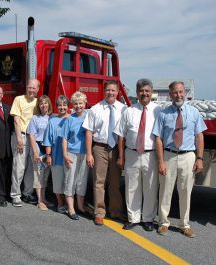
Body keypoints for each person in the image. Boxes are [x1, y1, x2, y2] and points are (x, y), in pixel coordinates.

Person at [153, 81, 207, 238]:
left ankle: (184, 225)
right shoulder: (163, 114)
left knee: (185, 192)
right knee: (165, 191)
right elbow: (158, 139)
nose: (178, 95)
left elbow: (199, 136)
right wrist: (161, 161)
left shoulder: (194, 113)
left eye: (181, 92)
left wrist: (200, 158)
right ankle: (163, 222)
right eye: (175, 92)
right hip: (169, 155)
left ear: (185, 93)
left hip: (188, 156)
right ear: (170, 95)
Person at [115, 78, 162, 231]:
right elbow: (121, 135)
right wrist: (121, 157)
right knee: (132, 187)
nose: (144, 94)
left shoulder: (158, 111)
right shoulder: (129, 111)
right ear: (137, 93)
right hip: (131, 154)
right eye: (141, 91)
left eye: (147, 91)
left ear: (151, 92)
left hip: (151, 154)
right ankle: (133, 218)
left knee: (150, 187)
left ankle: (148, 219)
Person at [82, 80, 127, 226]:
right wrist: (89, 153)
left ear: (117, 92)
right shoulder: (95, 109)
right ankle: (99, 212)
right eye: (108, 90)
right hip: (100, 148)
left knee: (114, 182)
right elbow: (89, 132)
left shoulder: (124, 109)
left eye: (113, 90)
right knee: (99, 182)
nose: (110, 93)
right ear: (104, 91)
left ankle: (115, 211)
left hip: (116, 149)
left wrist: (122, 154)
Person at [10, 79, 39, 207]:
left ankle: (27, 193)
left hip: (33, 138)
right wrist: (19, 139)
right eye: (29, 87)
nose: (31, 90)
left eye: (34, 88)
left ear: (37, 89)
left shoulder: (38, 102)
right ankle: (15, 195)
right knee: (19, 167)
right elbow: (16, 119)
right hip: (21, 136)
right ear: (26, 87)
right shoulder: (18, 99)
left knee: (31, 168)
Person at [62, 92, 89, 220]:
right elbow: (64, 139)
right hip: (71, 153)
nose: (78, 106)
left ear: (85, 104)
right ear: (72, 105)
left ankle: (80, 206)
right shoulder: (69, 120)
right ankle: (71, 209)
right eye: (76, 104)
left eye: (81, 103)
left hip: (84, 154)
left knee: (81, 181)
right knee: (70, 180)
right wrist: (65, 155)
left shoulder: (89, 117)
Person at [42, 95, 70, 214]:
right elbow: (48, 140)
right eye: (59, 105)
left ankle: (71, 204)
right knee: (58, 182)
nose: (62, 107)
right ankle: (60, 203)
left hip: (71, 157)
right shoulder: (52, 121)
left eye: (64, 105)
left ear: (68, 106)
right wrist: (48, 156)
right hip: (56, 156)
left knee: (69, 182)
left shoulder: (72, 119)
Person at [27, 95, 53, 211]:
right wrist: (36, 153)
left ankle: (44, 198)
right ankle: (39, 201)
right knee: (38, 175)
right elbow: (31, 136)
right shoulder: (34, 118)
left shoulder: (52, 118)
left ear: (49, 105)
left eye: (46, 103)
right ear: (39, 105)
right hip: (39, 149)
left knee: (45, 176)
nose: (44, 105)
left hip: (48, 150)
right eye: (41, 103)